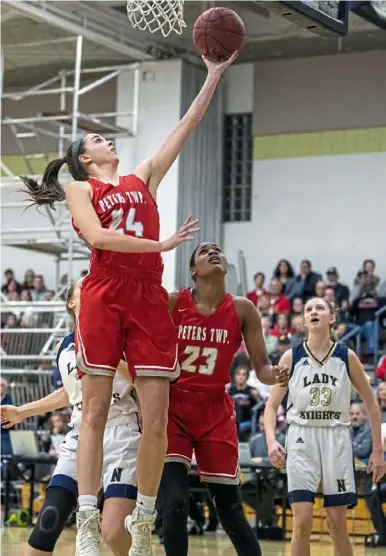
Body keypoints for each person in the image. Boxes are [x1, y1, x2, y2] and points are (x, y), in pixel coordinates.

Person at [20, 53, 238, 556]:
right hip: (105, 291)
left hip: (145, 296)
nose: (106, 140)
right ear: (84, 158)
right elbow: (99, 236)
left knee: (156, 418)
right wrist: (160, 247)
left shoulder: (143, 179)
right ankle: (91, 517)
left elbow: (188, 124)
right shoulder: (80, 188)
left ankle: (143, 518)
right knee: (94, 411)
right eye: (96, 139)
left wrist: (213, 75)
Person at [156, 242, 289, 556]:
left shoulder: (242, 308)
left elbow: (263, 368)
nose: (212, 252)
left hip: (215, 410)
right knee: (174, 503)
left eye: (217, 250)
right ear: (193, 269)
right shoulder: (174, 302)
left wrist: (277, 375)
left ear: (226, 266)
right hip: (172, 408)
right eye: (203, 251)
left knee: (230, 510)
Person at [0, 279, 140, 556]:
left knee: (112, 531)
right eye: (85, 288)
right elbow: (68, 393)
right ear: (71, 302)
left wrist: (111, 355)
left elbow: (141, 381)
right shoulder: (65, 346)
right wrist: (21, 411)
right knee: (49, 519)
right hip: (80, 434)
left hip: (120, 431)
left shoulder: (123, 334)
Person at [264, 296, 384, 556]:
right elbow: (271, 406)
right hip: (300, 438)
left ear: (332, 318)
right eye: (309, 309)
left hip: (336, 438)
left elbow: (372, 405)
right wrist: (272, 440)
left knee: (337, 524)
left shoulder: (346, 356)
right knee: (302, 522)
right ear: (304, 320)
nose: (314, 311)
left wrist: (377, 451)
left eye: (320, 308)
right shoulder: (290, 357)